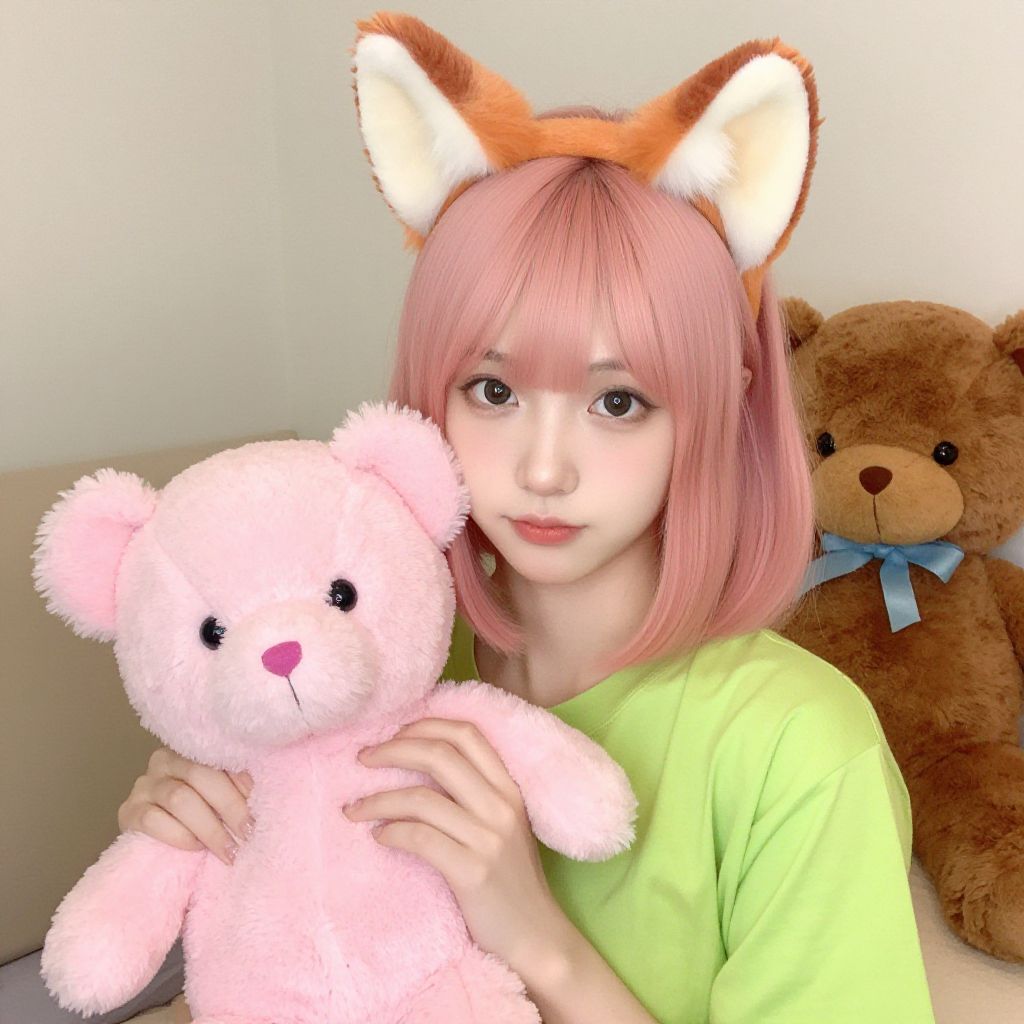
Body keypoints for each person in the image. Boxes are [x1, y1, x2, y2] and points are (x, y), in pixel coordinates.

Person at [116, 13, 936, 1024]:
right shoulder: (374, 663)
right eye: (494, 392)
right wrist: (212, 825)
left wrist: (534, 934)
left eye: (618, 401)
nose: (545, 469)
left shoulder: (797, 747)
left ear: (723, 402)